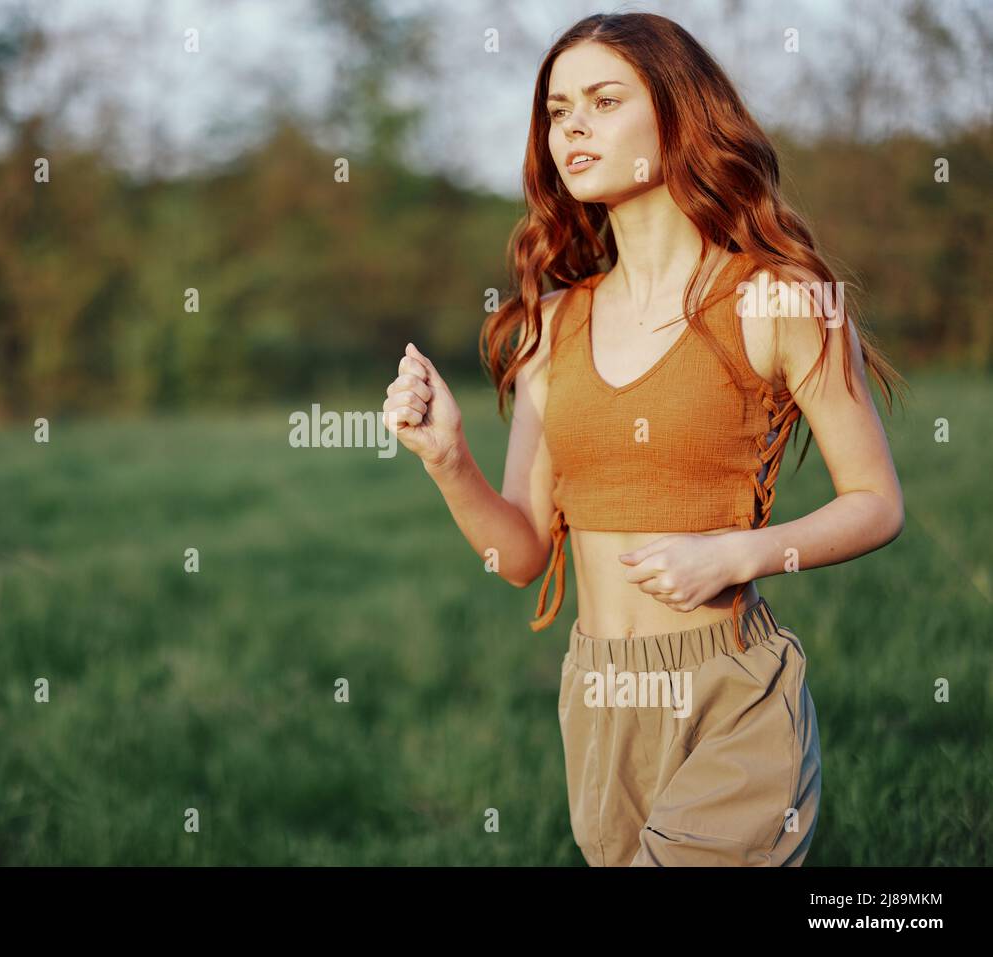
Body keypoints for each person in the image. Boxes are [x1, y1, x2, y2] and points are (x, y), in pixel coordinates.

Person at [382, 12, 907, 866]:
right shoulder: (554, 325)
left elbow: (878, 503)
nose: (572, 126)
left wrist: (739, 555)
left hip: (730, 690)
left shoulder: (777, 299)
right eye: (556, 109)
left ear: (677, 114)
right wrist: (448, 459)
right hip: (598, 697)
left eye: (602, 100)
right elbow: (520, 553)